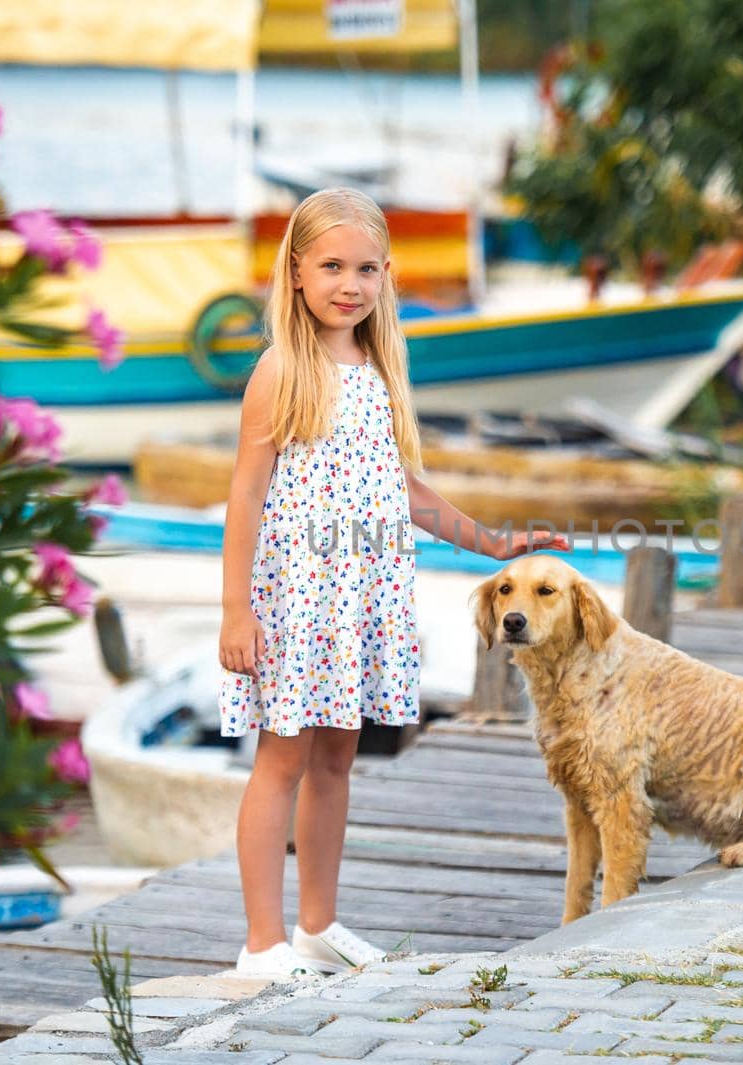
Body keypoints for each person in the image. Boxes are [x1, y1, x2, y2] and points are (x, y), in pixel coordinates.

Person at [215, 187, 570, 981]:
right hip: (298, 598)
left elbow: (405, 492)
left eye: (367, 268)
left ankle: (316, 924)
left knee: (339, 757)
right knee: (282, 758)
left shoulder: (377, 368)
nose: (350, 283)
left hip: (362, 599)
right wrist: (236, 609)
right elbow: (244, 494)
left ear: (387, 277)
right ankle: (260, 941)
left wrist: (495, 544)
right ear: (296, 271)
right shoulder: (282, 369)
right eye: (333, 265)